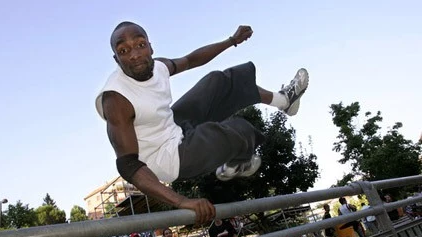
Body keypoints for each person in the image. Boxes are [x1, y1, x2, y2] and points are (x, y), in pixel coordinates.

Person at [95, 22, 309, 225]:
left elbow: (190, 60)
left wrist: (231, 40)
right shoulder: (116, 99)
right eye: (124, 51)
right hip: (167, 158)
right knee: (238, 131)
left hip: (174, 127)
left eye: (140, 45)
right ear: (116, 59)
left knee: (218, 81)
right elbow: (128, 166)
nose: (134, 55)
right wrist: (182, 201)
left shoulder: (158, 66)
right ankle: (238, 163)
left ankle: (284, 101)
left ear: (150, 47)